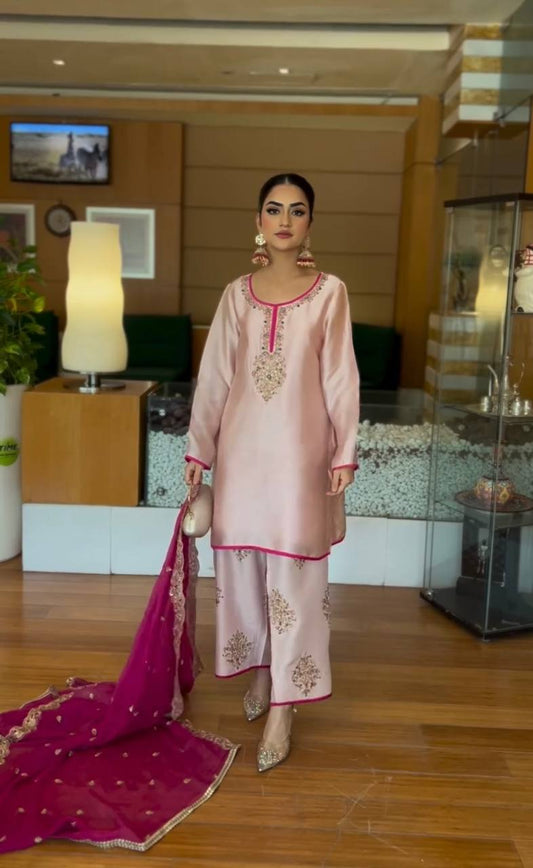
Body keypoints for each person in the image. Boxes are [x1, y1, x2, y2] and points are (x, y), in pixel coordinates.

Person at [185, 172, 360, 772]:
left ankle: (287, 705)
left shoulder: (329, 292)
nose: (285, 219)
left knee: (294, 580)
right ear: (257, 221)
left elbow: (340, 377)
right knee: (244, 569)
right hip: (241, 458)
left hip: (300, 460)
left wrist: (344, 453)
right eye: (273, 209)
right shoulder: (236, 294)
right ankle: (260, 671)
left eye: (298, 210)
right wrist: (198, 453)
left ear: (311, 223)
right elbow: (214, 378)